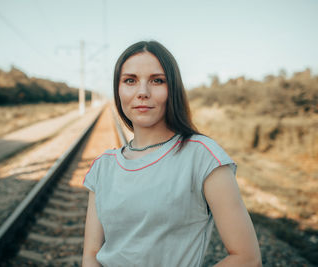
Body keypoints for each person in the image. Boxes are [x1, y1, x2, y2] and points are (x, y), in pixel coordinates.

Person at [82, 40, 261, 266]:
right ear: (118, 89)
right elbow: (91, 254)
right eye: (130, 80)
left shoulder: (202, 156)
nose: (142, 92)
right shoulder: (102, 167)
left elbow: (247, 258)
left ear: (172, 88)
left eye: (157, 81)